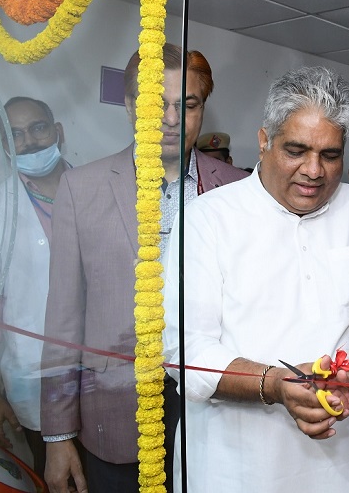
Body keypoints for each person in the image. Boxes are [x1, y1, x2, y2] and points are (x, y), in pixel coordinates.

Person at [162, 66, 349, 493]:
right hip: (239, 465)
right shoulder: (208, 218)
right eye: (296, 150)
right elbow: (186, 350)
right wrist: (275, 384)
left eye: (330, 155)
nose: (314, 170)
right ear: (264, 141)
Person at [39, 44, 247, 493]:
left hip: (216, 415)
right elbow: (63, 322)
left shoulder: (239, 189)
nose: (171, 119)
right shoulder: (81, 189)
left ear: (202, 110)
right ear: (132, 105)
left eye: (187, 105)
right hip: (115, 414)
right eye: (157, 104)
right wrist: (57, 436)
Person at [0, 97, 71, 479]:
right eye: (16, 135)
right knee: (54, 477)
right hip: (31, 375)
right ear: (6, 146)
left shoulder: (97, 188)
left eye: (37, 128)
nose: (28, 142)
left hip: (102, 372)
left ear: (57, 132)